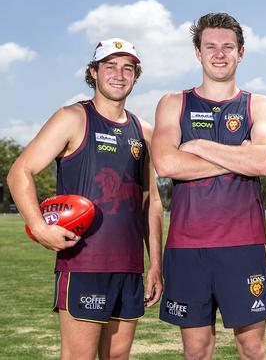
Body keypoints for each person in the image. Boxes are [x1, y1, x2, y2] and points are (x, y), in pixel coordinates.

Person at [7, 38, 163, 360]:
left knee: (118, 357)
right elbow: (20, 171)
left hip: (130, 267)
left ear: (136, 75)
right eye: (110, 66)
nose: (119, 74)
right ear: (93, 72)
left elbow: (152, 201)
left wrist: (156, 265)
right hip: (83, 263)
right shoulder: (72, 118)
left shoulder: (143, 131)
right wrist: (38, 226)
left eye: (128, 68)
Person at [151, 12, 266, 360]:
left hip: (244, 244)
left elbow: (263, 162)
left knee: (252, 348)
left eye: (227, 47)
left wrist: (197, 146)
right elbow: (165, 163)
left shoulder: (260, 105)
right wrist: (238, 155)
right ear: (198, 52)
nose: (219, 54)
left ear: (241, 52)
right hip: (187, 247)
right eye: (211, 46)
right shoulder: (173, 103)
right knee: (197, 350)